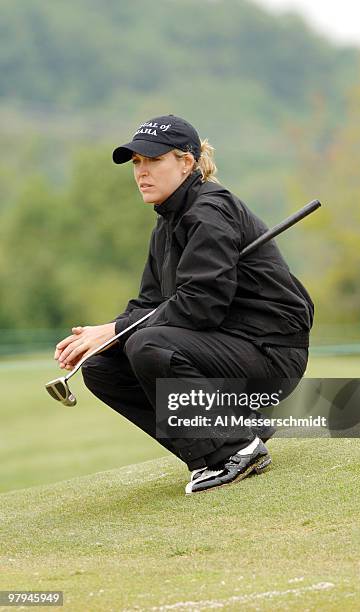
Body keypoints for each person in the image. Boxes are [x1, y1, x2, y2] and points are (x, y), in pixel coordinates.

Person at [54, 114, 314, 495]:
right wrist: (105, 336)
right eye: (136, 163)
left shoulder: (210, 210)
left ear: (186, 162)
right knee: (102, 367)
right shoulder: (168, 222)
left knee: (147, 344)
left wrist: (118, 331)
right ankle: (233, 436)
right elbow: (149, 302)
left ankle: (235, 448)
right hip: (226, 349)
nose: (141, 172)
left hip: (271, 354)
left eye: (153, 160)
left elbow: (199, 306)